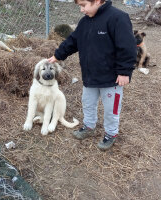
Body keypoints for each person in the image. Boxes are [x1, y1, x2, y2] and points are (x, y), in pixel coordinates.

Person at [48, 0, 136, 151]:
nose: (82, 10)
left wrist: (124, 72)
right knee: (87, 103)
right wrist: (58, 55)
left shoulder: (118, 18)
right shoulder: (85, 22)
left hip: (112, 79)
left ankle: (111, 133)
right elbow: (72, 41)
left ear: (97, 1)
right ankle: (89, 126)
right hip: (90, 76)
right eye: (80, 6)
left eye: (84, 5)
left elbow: (127, 46)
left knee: (111, 109)